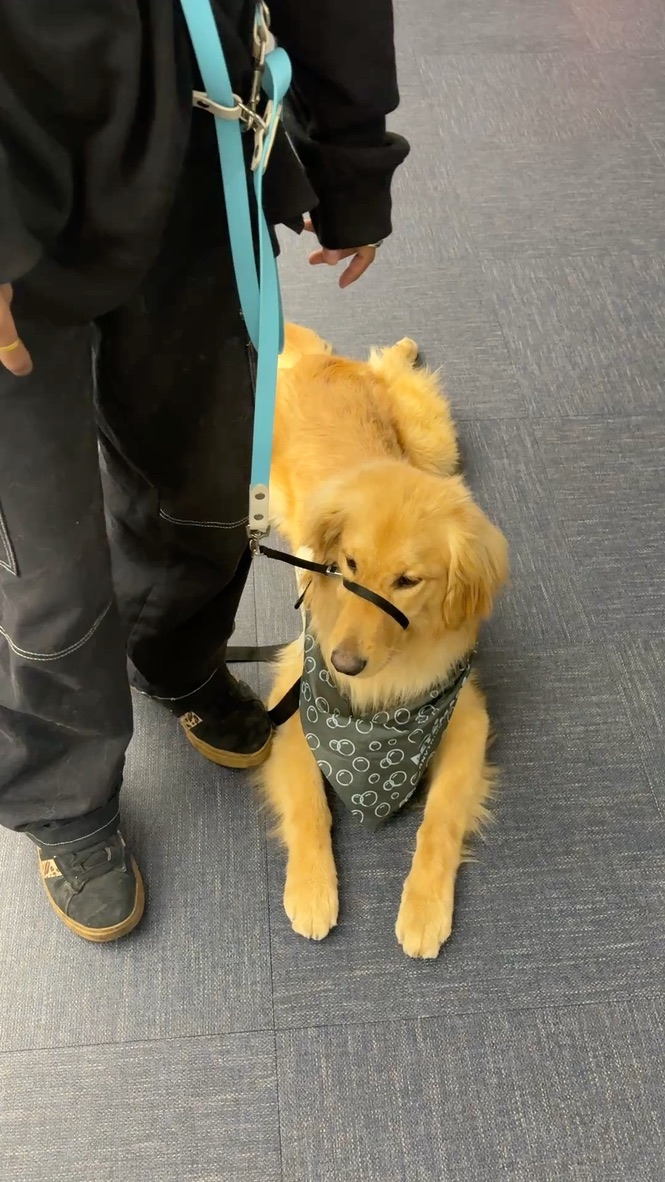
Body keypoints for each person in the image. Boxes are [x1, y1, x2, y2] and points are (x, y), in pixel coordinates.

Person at [0, 1, 409, 942]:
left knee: (205, 493)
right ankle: (63, 792)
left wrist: (348, 150)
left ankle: (174, 654)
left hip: (193, 138)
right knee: (46, 565)